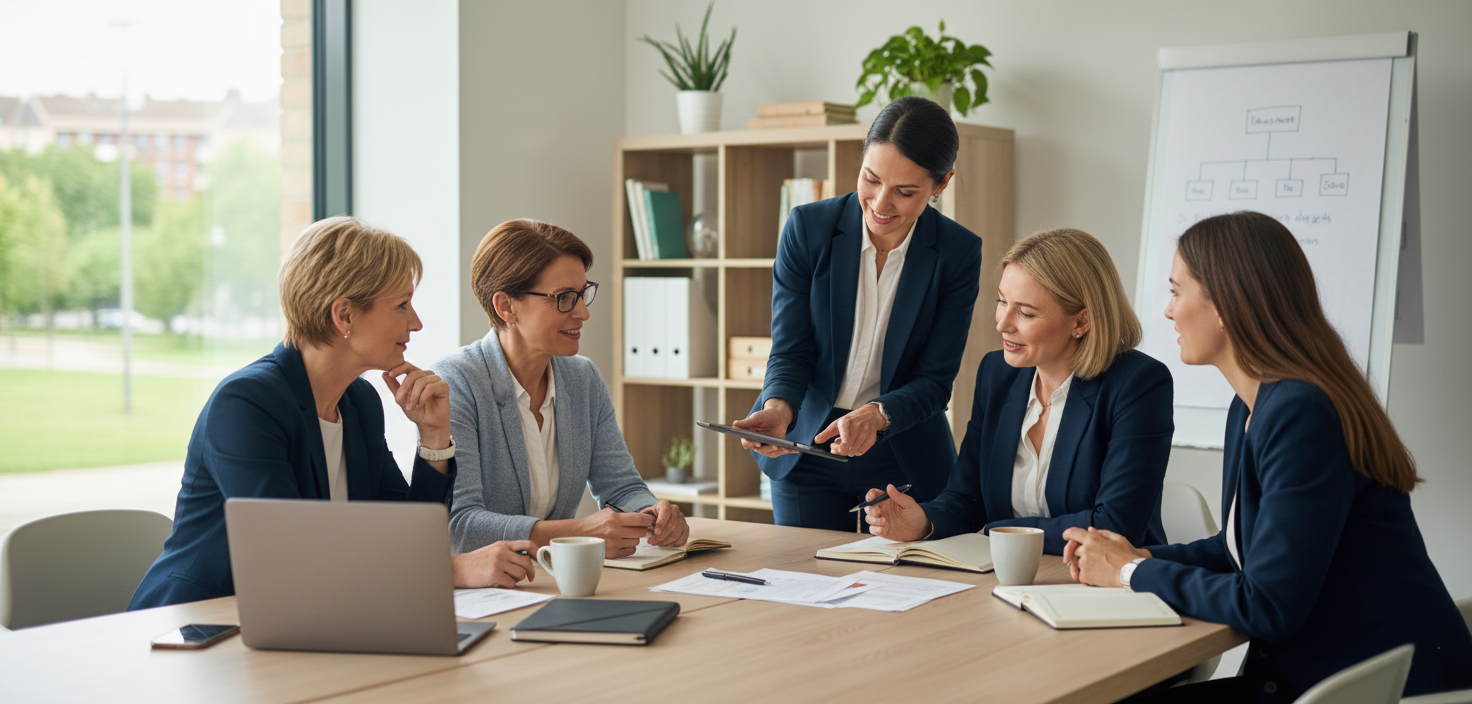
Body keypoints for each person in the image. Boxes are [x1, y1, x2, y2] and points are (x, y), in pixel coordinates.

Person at [1063, 211, 1472, 702]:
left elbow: (1270, 604)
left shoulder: (1300, 412)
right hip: (1315, 676)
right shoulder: (1252, 405)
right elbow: (1243, 548)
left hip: (1376, 687)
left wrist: (1130, 573)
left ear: (1225, 307)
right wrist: (1140, 556)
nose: (1168, 312)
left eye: (1176, 291)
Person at [129, 217, 534, 610]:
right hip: (200, 624)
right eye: (402, 305)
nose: (417, 323)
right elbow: (294, 556)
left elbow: (404, 537)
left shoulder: (359, 402)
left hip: (308, 617)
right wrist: (450, 571)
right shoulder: (247, 404)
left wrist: (433, 438)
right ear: (344, 315)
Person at [731, 96, 983, 530]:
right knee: (802, 586)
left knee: (909, 590)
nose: (882, 204)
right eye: (871, 179)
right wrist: (778, 408)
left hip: (903, 453)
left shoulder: (957, 253)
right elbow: (792, 350)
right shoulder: (809, 229)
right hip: (807, 446)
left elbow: (935, 381)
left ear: (941, 184)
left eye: (905, 192)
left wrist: (877, 414)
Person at [863, 229, 1173, 554]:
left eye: (1025, 312)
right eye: (1002, 301)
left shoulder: (1139, 384)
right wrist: (924, 520)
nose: (1003, 324)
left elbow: (1115, 525)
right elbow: (967, 497)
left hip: (1103, 584)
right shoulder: (997, 374)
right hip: (1006, 577)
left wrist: (999, 532)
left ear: (1081, 322)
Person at [438, 219, 689, 559]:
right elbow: (461, 527)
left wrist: (652, 513)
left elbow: (621, 486)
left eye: (583, 294)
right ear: (506, 307)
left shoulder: (582, 378)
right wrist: (579, 532)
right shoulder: (457, 382)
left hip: (559, 579)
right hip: (486, 594)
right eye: (564, 299)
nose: (583, 312)